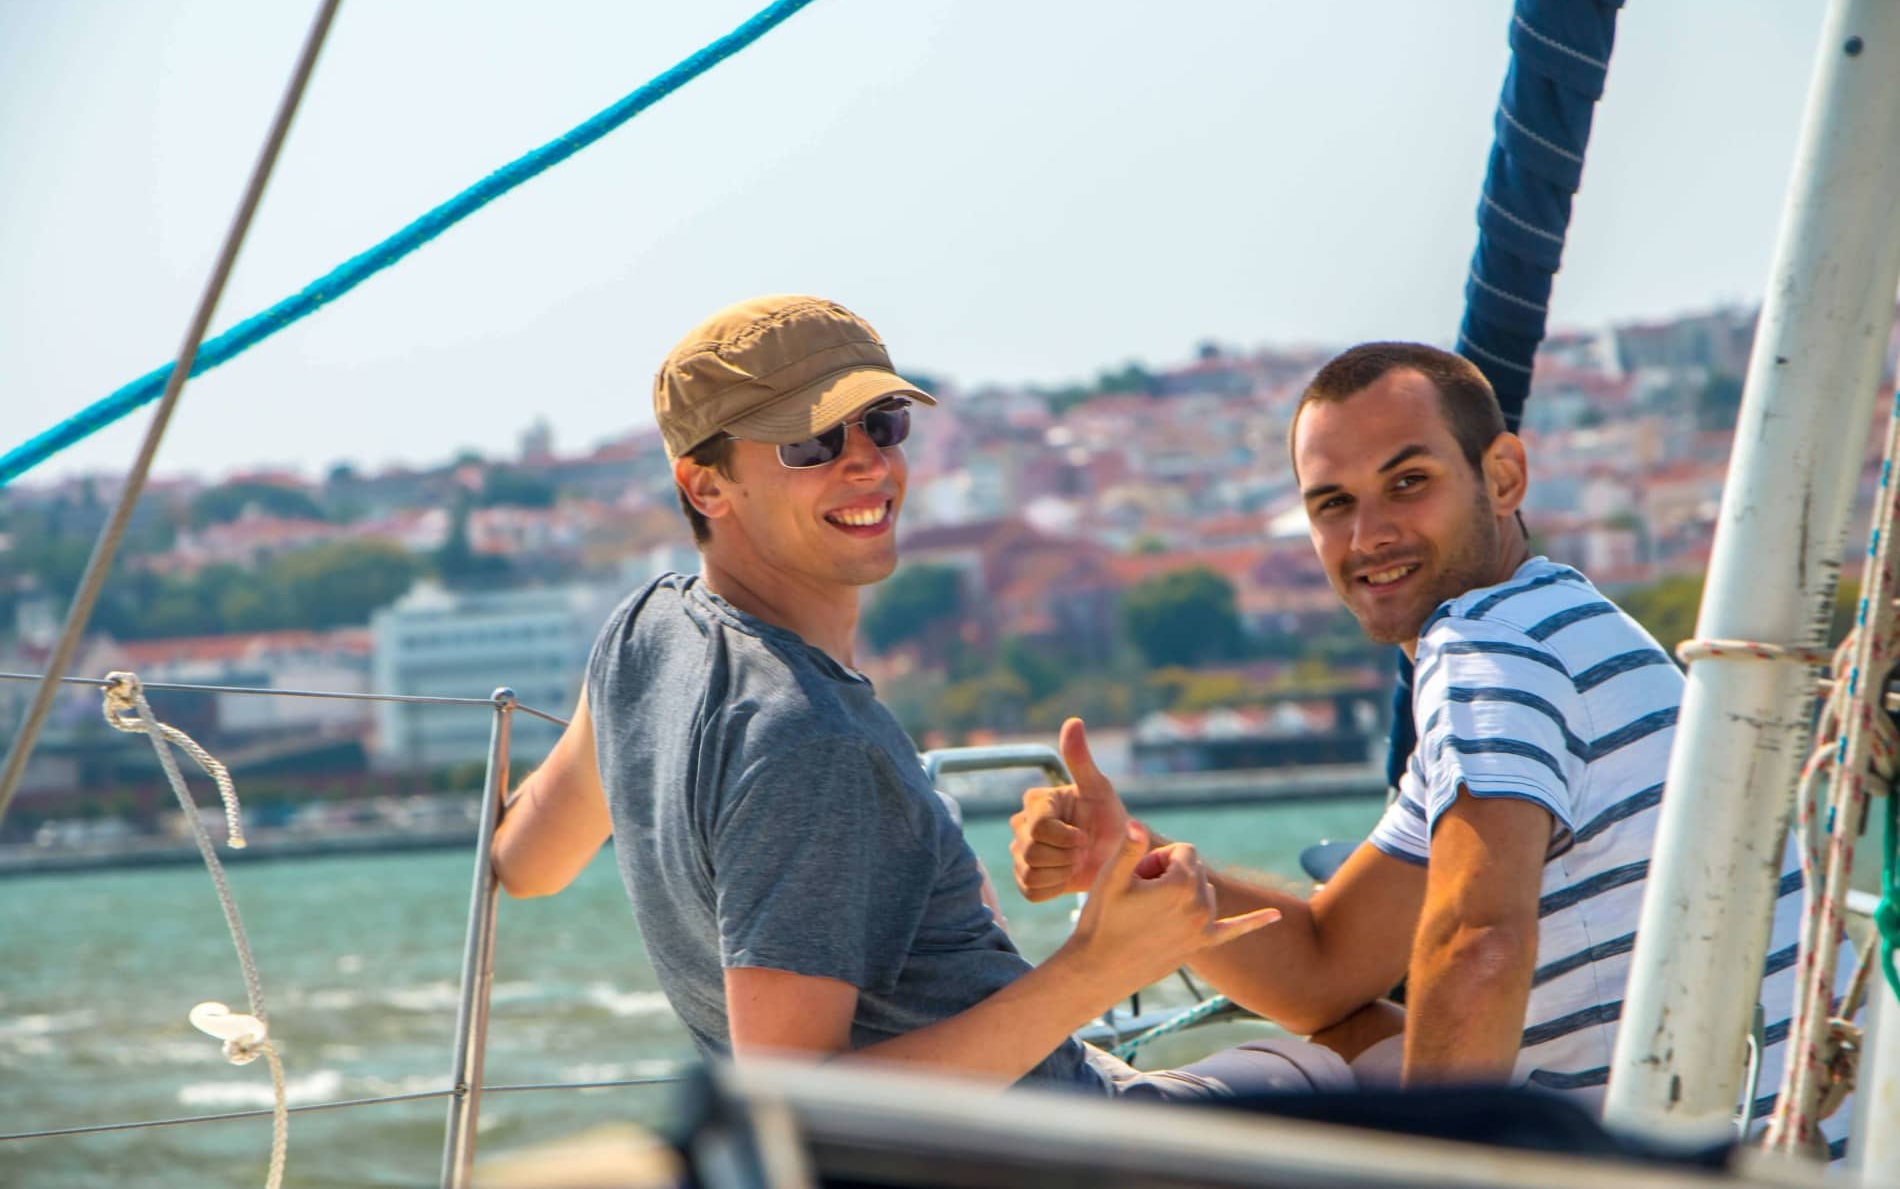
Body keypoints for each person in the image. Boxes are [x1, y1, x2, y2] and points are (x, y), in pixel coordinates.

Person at [490, 294, 1353, 1096]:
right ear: (704, 484)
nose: (866, 459)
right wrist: (1101, 963)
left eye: (881, 422)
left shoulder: (641, 634)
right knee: (1386, 1049)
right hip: (1065, 1152)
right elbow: (799, 1105)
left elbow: (527, 862)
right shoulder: (811, 739)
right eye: (811, 442)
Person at [1011, 342, 1814, 1120]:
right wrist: (1125, 857)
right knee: (1351, 1028)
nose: (1369, 535)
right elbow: (1326, 969)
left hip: (1676, 1161)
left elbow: (1477, 943)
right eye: (1334, 503)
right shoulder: (1562, 624)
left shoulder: (1483, 648)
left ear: (1502, 477)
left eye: (1408, 482)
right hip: (1781, 1138)